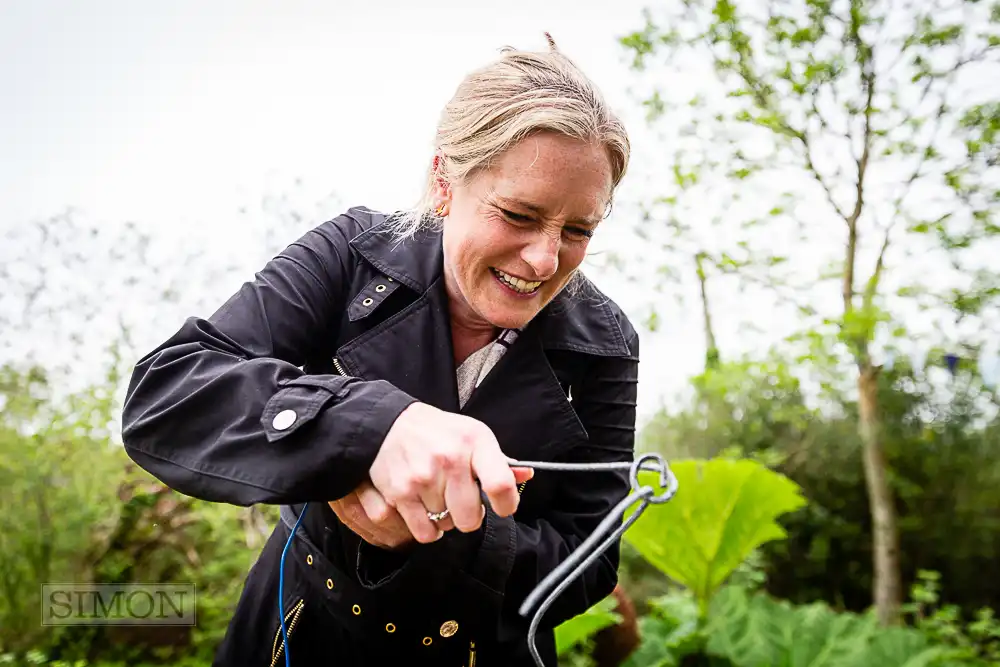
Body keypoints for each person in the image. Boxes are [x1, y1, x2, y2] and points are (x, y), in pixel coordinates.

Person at [121, 33, 638, 667]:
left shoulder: (606, 344)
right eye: (518, 215)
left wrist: (431, 537)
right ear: (444, 182)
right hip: (297, 630)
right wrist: (370, 427)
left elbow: (589, 562)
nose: (544, 258)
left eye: (579, 229)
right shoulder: (350, 253)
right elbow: (168, 394)